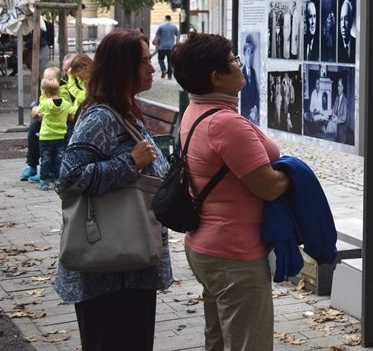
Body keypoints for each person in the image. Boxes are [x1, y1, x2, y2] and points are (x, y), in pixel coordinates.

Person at [170, 33, 291, 351]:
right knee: (248, 343)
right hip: (234, 254)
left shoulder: (195, 112)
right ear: (216, 76)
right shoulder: (225, 124)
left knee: (220, 340)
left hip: (207, 247)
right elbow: (268, 187)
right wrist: (296, 175)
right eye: (234, 59)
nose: (240, 64)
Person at [54, 29, 170, 351]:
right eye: (144, 62)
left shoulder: (125, 110)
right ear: (122, 67)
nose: (152, 69)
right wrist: (129, 163)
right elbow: (69, 177)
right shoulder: (101, 117)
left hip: (128, 265)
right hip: (107, 270)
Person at [35, 73, 72, 191]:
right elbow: (72, 113)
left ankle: (44, 181)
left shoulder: (45, 104)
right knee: (59, 159)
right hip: (60, 137)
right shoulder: (66, 104)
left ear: (45, 92)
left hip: (46, 137)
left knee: (45, 160)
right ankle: (58, 180)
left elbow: (37, 113)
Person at [240, 34, 260, 124]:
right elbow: (241, 100)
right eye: (248, 52)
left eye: (252, 52)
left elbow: (256, 93)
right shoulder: (240, 73)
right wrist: (249, 113)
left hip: (254, 116)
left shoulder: (253, 72)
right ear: (244, 53)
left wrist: (256, 107)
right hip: (246, 116)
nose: (250, 55)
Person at [338, 0, 356, 64]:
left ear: (351, 21)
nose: (342, 25)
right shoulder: (335, 48)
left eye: (346, 19)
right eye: (341, 19)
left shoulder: (357, 44)